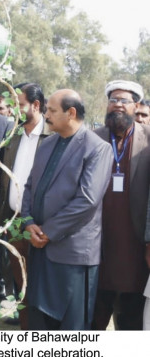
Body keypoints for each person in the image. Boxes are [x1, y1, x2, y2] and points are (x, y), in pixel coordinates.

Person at [21, 89, 113, 330]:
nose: (46, 114)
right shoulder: (47, 143)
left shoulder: (97, 148)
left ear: (71, 113)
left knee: (70, 327)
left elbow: (87, 201)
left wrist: (48, 232)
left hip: (72, 254)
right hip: (40, 249)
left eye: (51, 110)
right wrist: (28, 222)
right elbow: (30, 185)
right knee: (39, 323)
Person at [0, 83, 50, 329]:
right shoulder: (13, 135)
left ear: (36, 105)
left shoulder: (53, 136)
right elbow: (6, 179)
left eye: (19, 103)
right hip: (14, 221)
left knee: (44, 288)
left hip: (42, 226)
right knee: (21, 286)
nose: (14, 108)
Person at [93, 80, 150, 330]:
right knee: (93, 319)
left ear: (135, 105)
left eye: (123, 101)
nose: (117, 105)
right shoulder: (92, 139)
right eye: (113, 100)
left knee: (131, 322)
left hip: (136, 247)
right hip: (97, 246)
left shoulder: (148, 139)